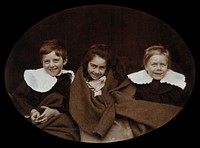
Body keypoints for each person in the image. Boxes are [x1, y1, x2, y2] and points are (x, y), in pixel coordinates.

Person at [69, 44, 182, 143]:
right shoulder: (79, 79)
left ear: (107, 67)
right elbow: (78, 99)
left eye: (101, 67)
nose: (97, 71)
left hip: (112, 112)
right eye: (93, 66)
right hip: (90, 115)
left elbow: (117, 94)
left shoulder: (112, 77)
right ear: (86, 64)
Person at [12, 39, 80, 141]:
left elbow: (73, 104)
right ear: (42, 62)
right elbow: (18, 96)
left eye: (56, 60)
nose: (51, 65)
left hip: (59, 119)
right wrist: (32, 111)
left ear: (64, 61)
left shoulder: (68, 79)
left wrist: (56, 113)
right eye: (47, 61)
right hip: (38, 118)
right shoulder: (35, 76)